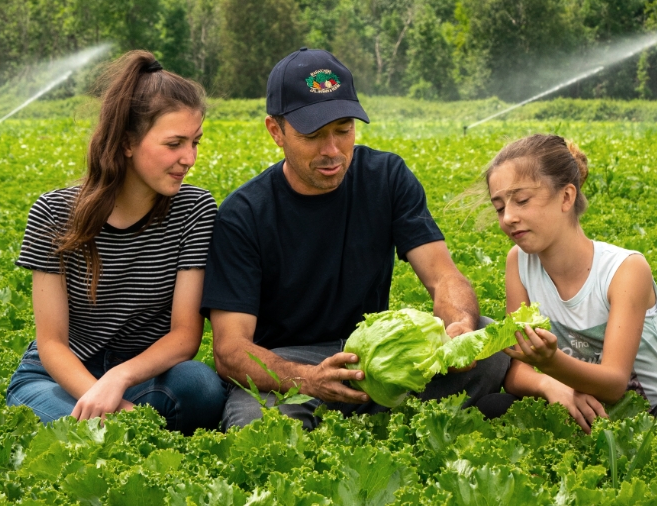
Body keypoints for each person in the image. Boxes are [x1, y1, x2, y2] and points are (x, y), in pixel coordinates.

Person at [201, 47, 512, 431]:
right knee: (257, 423)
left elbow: (443, 276)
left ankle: (366, 411)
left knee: (489, 343)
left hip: (374, 354)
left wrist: (459, 326)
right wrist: (310, 379)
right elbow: (230, 350)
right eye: (313, 135)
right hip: (289, 364)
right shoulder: (244, 213)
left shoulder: (386, 176)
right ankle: (388, 416)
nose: (332, 151)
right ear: (275, 131)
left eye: (343, 129)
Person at [5, 50, 225, 432]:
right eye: (174, 144)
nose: (189, 158)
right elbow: (53, 344)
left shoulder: (195, 209)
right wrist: (103, 402)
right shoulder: (54, 213)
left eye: (196, 142)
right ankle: (126, 430)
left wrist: (118, 380)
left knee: (200, 387)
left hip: (142, 376)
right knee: (67, 417)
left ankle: (116, 431)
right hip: (59, 378)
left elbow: (185, 336)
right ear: (127, 142)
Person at [475, 134, 657, 430]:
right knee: (493, 406)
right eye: (499, 207)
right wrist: (551, 385)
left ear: (566, 197)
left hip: (653, 418)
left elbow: (613, 384)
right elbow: (516, 370)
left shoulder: (625, 269)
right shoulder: (518, 262)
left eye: (522, 200)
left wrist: (551, 363)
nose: (508, 217)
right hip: (586, 417)